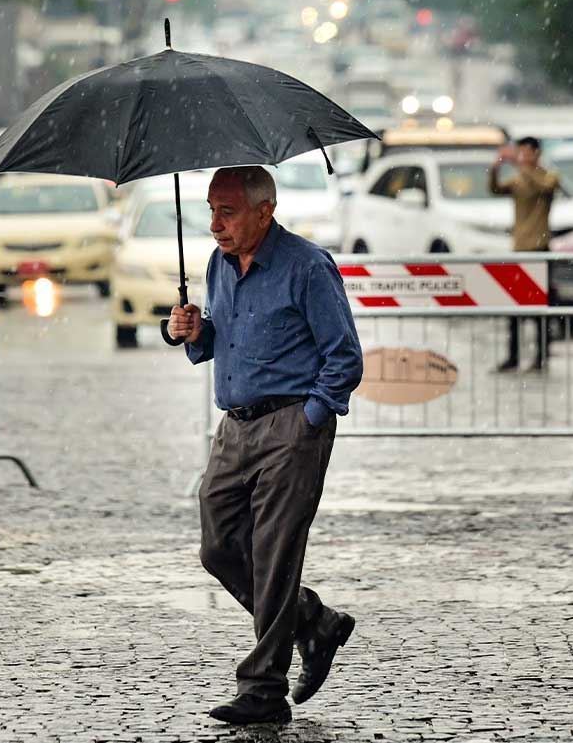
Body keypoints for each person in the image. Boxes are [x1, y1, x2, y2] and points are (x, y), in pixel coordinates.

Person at [167, 166, 363, 726]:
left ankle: (263, 689)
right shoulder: (219, 264)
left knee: (275, 553)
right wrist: (194, 331)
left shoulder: (307, 266)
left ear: (265, 210)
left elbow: (344, 357)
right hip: (234, 426)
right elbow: (221, 337)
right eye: (210, 210)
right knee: (218, 546)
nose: (215, 224)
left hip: (290, 426)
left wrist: (309, 418)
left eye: (226, 212)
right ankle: (313, 622)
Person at [488, 136, 560, 371]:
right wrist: (495, 168)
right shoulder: (518, 179)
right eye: (521, 153)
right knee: (514, 306)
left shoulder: (548, 176)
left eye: (527, 152)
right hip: (520, 248)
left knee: (541, 306)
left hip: (540, 248)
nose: (523, 158)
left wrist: (523, 167)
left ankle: (541, 356)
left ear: (537, 153)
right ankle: (513, 356)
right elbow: (496, 189)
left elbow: (545, 187)